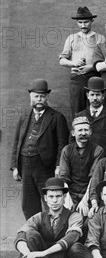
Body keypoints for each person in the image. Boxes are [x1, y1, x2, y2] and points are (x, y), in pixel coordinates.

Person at [3, 177, 83, 258]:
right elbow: (20, 235)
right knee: (30, 234)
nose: (55, 200)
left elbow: (72, 237)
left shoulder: (74, 216)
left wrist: (43, 253)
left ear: (64, 197)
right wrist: (28, 254)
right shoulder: (39, 216)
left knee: (60, 250)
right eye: (51, 197)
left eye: (58, 196)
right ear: (45, 198)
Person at [11, 79, 69, 219]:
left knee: (50, 202)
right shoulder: (24, 116)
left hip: (45, 166)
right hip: (25, 165)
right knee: (28, 204)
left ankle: (52, 233)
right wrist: (15, 166)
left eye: (42, 96)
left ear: (47, 97)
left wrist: (58, 166)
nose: (39, 99)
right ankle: (34, 234)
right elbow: (17, 141)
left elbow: (62, 144)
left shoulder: (57, 117)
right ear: (30, 96)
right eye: (36, 96)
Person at [59, 6, 106, 116]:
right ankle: (78, 131)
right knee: (77, 109)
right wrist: (73, 63)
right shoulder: (71, 38)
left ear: (91, 21)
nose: (83, 25)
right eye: (80, 22)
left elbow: (105, 61)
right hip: (76, 78)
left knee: (95, 107)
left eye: (86, 22)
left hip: (94, 77)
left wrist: (91, 66)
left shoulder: (100, 38)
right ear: (77, 23)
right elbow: (62, 60)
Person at [58, 117, 104, 213]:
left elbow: (94, 178)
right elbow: (63, 177)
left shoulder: (98, 150)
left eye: (86, 130)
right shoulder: (66, 150)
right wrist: (67, 199)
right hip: (71, 193)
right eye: (80, 130)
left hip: (90, 193)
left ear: (90, 132)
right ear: (73, 133)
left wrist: (85, 201)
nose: (83, 133)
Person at [75, 76, 106, 156]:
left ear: (103, 95)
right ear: (87, 95)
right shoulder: (79, 116)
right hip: (84, 159)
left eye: (98, 95)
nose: (95, 98)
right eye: (92, 95)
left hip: (104, 159)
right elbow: (73, 140)